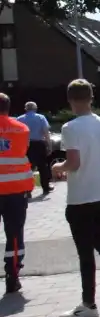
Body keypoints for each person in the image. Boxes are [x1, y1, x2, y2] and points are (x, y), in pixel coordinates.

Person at [52, 79, 100, 317]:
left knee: (85, 252)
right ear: (91, 97)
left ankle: (88, 303)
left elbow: (73, 163)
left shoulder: (70, 128)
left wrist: (57, 167)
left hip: (81, 196)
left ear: (71, 100)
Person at [0, 93, 35, 294]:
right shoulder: (21, 128)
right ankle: (12, 275)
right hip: (16, 189)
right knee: (14, 234)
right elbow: (23, 150)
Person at [17, 101, 52, 197]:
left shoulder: (20, 119)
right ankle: (45, 187)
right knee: (43, 167)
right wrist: (49, 145)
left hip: (26, 145)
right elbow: (46, 132)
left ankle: (27, 189)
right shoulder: (41, 118)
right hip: (39, 143)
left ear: (25, 109)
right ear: (35, 108)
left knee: (27, 168)